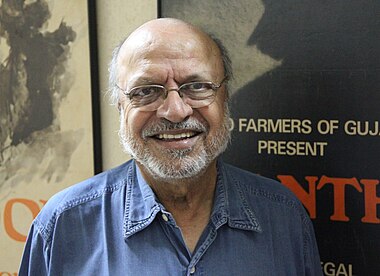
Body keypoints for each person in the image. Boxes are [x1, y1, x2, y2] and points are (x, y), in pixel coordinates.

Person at [19, 18, 322, 275]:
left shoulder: (284, 219)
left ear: (224, 97)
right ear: (119, 105)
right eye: (146, 91)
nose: (176, 111)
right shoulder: (62, 227)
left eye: (196, 86)